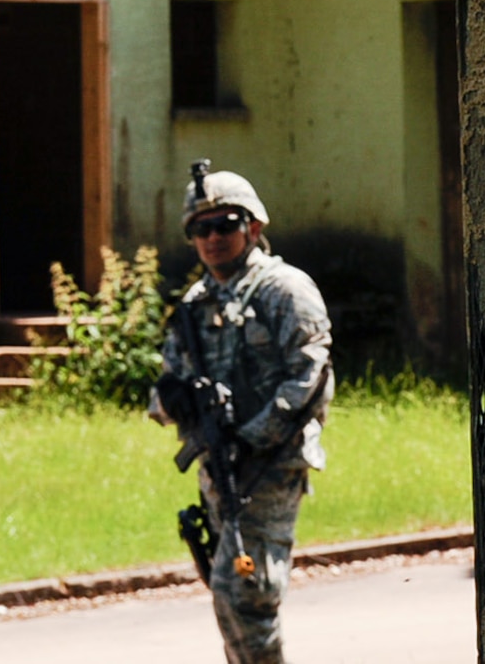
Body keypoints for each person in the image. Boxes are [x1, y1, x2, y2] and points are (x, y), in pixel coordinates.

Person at [152, 161, 334, 664]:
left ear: (253, 226)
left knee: (249, 596)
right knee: (228, 593)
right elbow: (165, 386)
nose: (213, 238)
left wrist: (254, 438)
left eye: (225, 224)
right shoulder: (194, 304)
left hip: (270, 467)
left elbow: (311, 377)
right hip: (218, 467)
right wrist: (176, 400)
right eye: (200, 229)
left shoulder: (285, 290)